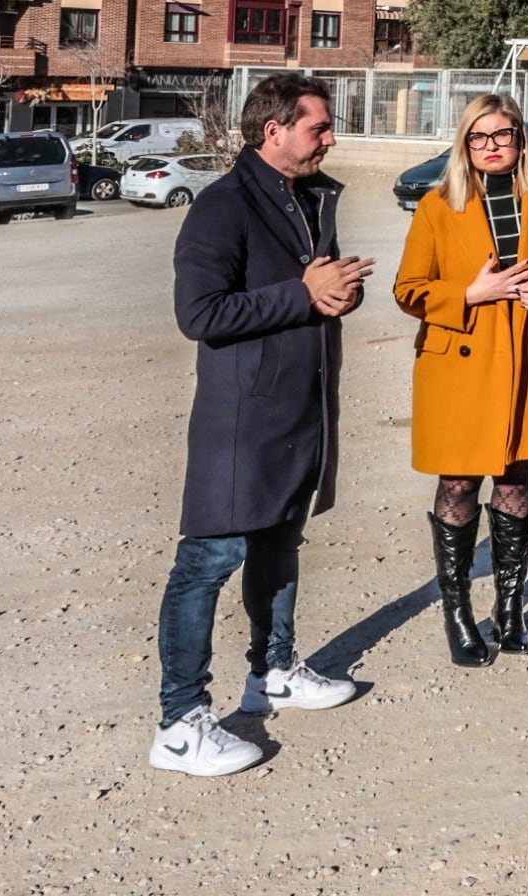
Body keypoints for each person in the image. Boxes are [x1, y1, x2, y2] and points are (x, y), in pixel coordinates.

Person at [153, 75, 373, 777]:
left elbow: (311, 291)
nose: (330, 138)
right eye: (319, 127)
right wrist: (301, 293)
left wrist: (337, 294)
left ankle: (273, 672)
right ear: (273, 130)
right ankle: (181, 722)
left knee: (281, 541)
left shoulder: (310, 197)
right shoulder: (223, 207)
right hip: (242, 417)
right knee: (208, 563)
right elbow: (202, 314)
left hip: (299, 406)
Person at [393, 94, 528, 668]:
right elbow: (408, 289)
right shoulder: (438, 205)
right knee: (458, 486)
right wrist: (468, 294)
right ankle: (458, 613)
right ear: (464, 144)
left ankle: (510, 609)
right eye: (479, 138)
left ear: (520, 138)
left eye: (501, 135)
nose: (490, 147)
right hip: (460, 362)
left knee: (514, 482)